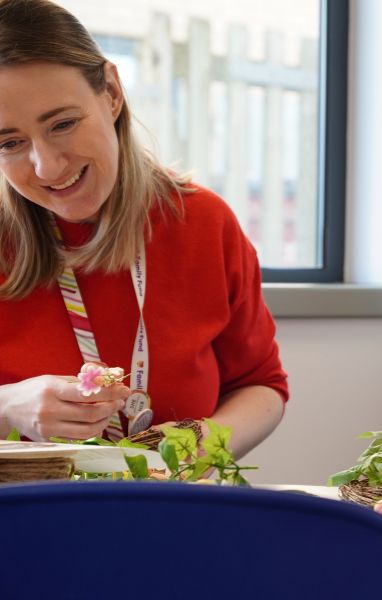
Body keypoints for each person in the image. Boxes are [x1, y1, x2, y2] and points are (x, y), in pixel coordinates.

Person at [0, 0, 288, 459]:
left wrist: (203, 445)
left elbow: (261, 385)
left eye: (63, 124)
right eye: (10, 143)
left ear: (112, 92)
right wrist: (7, 406)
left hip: (169, 497)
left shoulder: (203, 222)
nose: (47, 166)